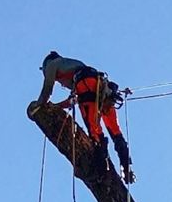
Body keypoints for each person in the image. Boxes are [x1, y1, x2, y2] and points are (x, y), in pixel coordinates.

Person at [35, 51, 135, 184]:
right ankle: (126, 167)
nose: (62, 84)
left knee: (95, 131)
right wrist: (57, 107)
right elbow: (75, 99)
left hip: (87, 86)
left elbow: (47, 88)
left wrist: (40, 104)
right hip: (103, 89)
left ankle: (101, 171)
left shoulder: (52, 64)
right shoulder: (74, 66)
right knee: (115, 131)